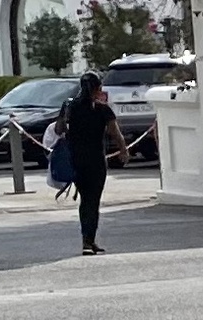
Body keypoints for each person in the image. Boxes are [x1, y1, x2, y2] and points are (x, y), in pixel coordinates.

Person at [62, 73, 126, 255]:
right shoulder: (102, 109)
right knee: (93, 201)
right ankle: (89, 241)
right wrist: (123, 151)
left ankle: (87, 239)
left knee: (85, 200)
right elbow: (116, 133)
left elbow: (59, 129)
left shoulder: (70, 107)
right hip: (96, 160)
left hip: (76, 159)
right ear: (98, 88)